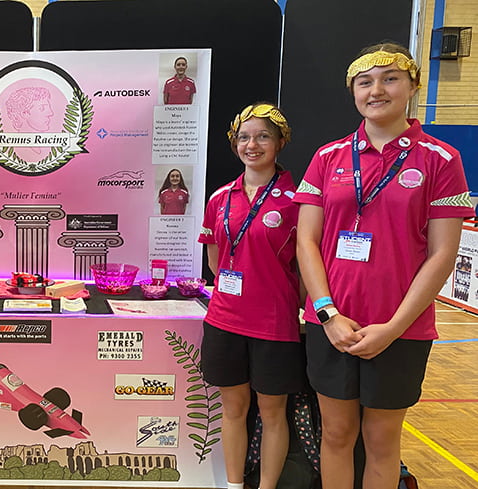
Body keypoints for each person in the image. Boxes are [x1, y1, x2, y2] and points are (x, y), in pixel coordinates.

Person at [294, 42, 473, 489]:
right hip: (332, 325)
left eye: (390, 78)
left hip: (401, 330)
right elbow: (306, 241)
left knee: (381, 440)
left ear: (412, 85)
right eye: (365, 82)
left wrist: (393, 327)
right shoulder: (327, 157)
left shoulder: (441, 159)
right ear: (353, 91)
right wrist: (327, 314)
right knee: (335, 434)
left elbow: (442, 255)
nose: (377, 90)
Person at [198, 103, 303, 489]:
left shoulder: (299, 200)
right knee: (233, 409)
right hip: (225, 319)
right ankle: (233, 484)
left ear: (280, 142)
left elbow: (306, 263)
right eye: (243, 137)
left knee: (272, 412)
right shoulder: (220, 198)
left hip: (274, 324)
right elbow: (215, 262)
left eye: (262, 136)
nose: (252, 145)